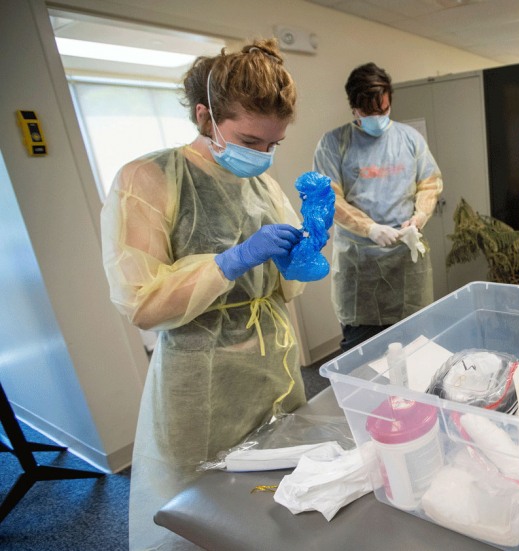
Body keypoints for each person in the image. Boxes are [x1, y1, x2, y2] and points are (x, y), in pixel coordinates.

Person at [100, 39, 307, 550]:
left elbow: (286, 290)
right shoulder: (148, 179)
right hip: (202, 385)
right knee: (203, 514)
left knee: (278, 502)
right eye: (250, 140)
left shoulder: (264, 186)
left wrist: (296, 258)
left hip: (275, 371)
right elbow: (142, 304)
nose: (262, 156)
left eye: (273, 145)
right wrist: (230, 261)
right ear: (205, 115)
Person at [313, 62, 443, 352]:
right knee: (365, 359)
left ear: (390, 101)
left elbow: (429, 183)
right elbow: (328, 197)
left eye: (382, 110)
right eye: (367, 113)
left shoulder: (409, 139)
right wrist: (368, 228)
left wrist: (419, 217)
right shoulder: (334, 144)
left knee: (418, 351)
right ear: (353, 108)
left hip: (406, 265)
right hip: (361, 270)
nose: (377, 118)